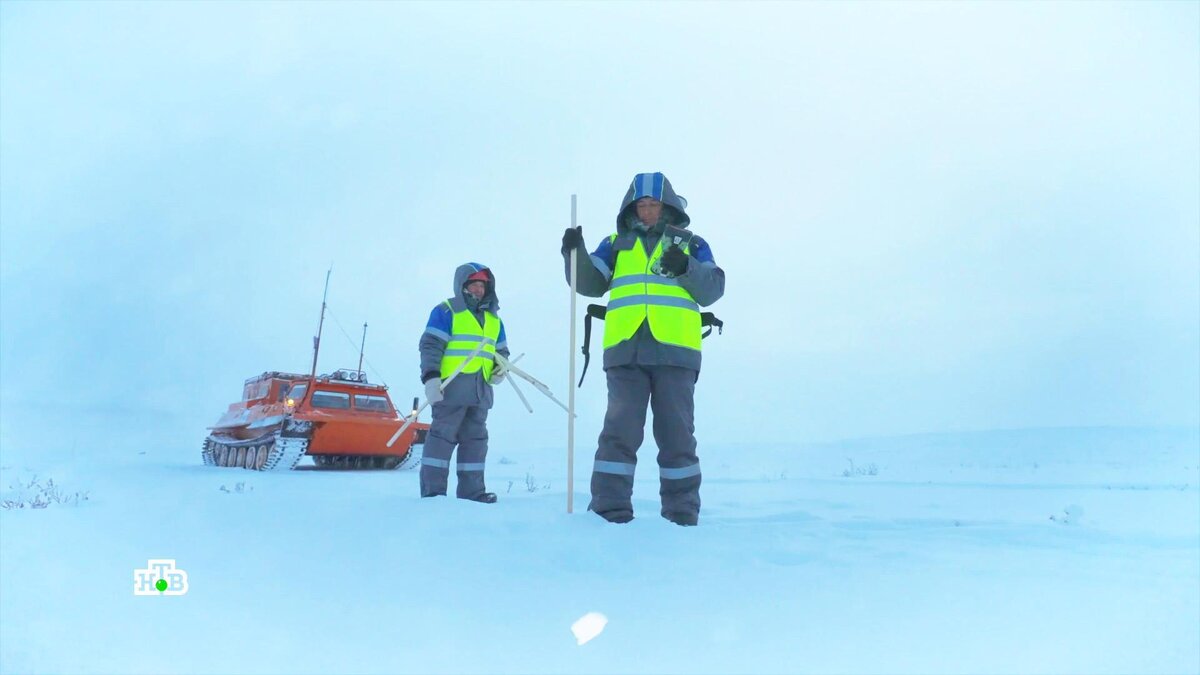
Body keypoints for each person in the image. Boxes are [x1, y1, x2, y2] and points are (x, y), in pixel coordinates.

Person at [561, 172, 725, 525]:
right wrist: (572, 253)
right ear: (631, 208)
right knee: (619, 432)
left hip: (676, 352)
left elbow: (712, 288)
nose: (648, 211)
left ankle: (681, 514)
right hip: (626, 351)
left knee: (677, 435)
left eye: (654, 204)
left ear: (667, 206)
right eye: (642, 205)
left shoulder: (691, 244)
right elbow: (589, 283)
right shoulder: (614, 244)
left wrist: (686, 268)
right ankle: (609, 510)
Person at [418, 262, 510, 503]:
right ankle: (433, 493)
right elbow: (430, 345)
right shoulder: (446, 311)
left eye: (483, 285)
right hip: (451, 390)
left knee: (476, 442)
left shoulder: (494, 319)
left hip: (480, 392)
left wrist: (500, 369)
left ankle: (473, 493)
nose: (479, 289)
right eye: (474, 284)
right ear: (462, 285)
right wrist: (431, 378)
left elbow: (501, 352)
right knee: (441, 440)